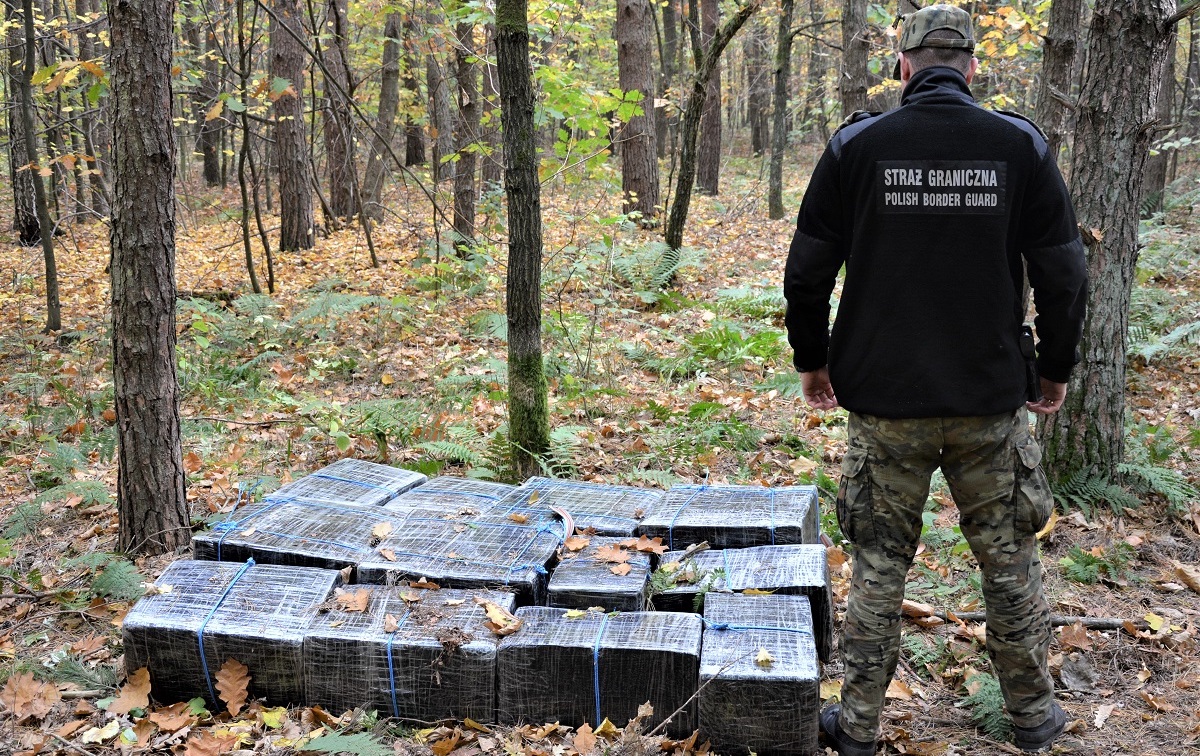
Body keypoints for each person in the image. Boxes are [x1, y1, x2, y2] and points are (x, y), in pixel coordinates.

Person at [782, 4, 1088, 754]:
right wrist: (1054, 371)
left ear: (904, 64)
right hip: (989, 401)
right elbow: (1065, 275)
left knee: (881, 562)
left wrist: (812, 361)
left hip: (886, 402)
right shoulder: (1018, 145)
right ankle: (1035, 720)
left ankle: (855, 728)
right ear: (974, 67)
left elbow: (806, 274)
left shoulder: (857, 145)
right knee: (1010, 562)